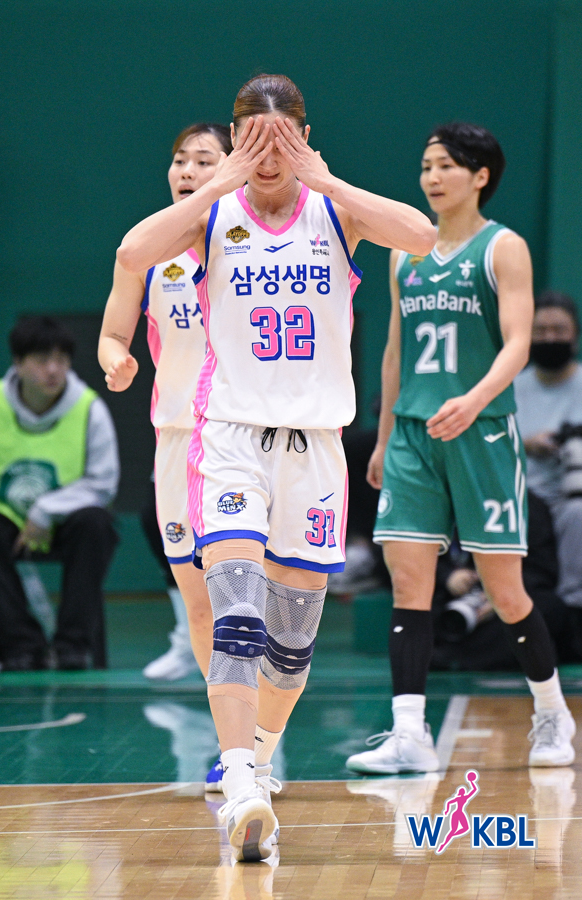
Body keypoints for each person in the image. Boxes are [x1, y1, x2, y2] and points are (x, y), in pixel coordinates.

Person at [117, 73, 436, 861]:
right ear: (234, 140)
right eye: (251, 140)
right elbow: (132, 252)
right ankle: (238, 781)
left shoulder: (333, 210)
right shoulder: (212, 214)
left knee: (290, 645)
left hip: (315, 448)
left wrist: (327, 178)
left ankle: (259, 759)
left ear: (303, 136)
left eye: (280, 139)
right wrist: (212, 184)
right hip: (230, 436)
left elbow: (422, 235)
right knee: (235, 615)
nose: (265, 156)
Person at [346, 122, 576, 777]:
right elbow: (395, 351)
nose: (432, 177)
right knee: (409, 582)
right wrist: (385, 437)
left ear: (480, 175)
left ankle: (552, 712)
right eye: (426, 165)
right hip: (415, 435)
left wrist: (474, 400)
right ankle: (408, 733)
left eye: (446, 165)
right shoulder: (405, 254)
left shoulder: (503, 247)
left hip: (483, 433)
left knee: (505, 591)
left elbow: (518, 343)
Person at [99, 123, 233, 689]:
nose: (187, 171)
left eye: (204, 160)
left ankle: (264, 725)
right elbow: (112, 334)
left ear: (233, 168)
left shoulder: (258, 244)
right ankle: (229, 727)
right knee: (199, 608)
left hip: (243, 434)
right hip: (176, 438)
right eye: (180, 160)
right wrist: (116, 360)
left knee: (247, 601)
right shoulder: (146, 249)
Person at [0, 316, 119, 670]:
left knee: (97, 524)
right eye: (42, 360)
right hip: (3, 519)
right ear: (18, 363)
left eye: (61, 360)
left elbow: (103, 483)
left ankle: (73, 645)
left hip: (65, 521)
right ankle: (21, 645)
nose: (54, 370)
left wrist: (46, 510)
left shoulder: (89, 408)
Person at [515, 291, 582, 611]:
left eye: (559, 330)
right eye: (540, 331)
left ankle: (572, 609)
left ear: (575, 336)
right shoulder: (511, 387)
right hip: (524, 501)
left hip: (572, 499)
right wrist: (527, 445)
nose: (550, 338)